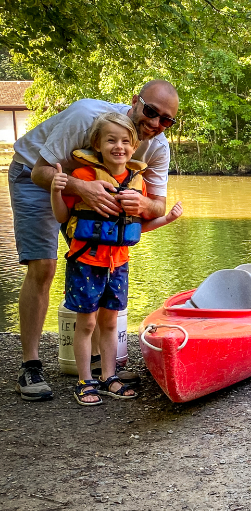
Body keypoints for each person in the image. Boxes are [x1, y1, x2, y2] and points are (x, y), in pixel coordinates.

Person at [9, 80, 179, 400]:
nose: (156, 123)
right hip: (36, 174)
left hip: (91, 190)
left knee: (102, 265)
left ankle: (102, 367)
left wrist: (142, 205)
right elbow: (40, 172)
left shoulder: (157, 147)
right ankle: (30, 366)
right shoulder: (86, 117)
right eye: (151, 111)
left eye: (166, 119)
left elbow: (158, 204)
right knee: (43, 265)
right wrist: (80, 188)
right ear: (135, 101)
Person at [50, 112, 183, 406]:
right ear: (97, 144)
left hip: (118, 265)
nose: (118, 146)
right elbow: (63, 217)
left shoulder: (138, 183)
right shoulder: (83, 178)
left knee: (110, 324)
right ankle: (86, 381)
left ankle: (110, 377)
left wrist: (168, 219)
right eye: (111, 140)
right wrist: (56, 190)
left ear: (134, 147)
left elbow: (137, 228)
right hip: (86, 262)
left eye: (125, 141)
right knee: (86, 325)